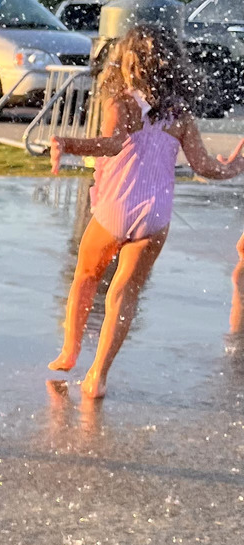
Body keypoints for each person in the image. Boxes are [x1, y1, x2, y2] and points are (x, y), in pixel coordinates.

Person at [49, 22, 244, 398]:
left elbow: (111, 144)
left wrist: (66, 143)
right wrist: (235, 165)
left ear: (129, 63)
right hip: (155, 215)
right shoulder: (180, 116)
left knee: (87, 277)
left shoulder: (120, 102)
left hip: (114, 208)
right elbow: (206, 168)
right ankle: (98, 376)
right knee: (124, 293)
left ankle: (69, 353)